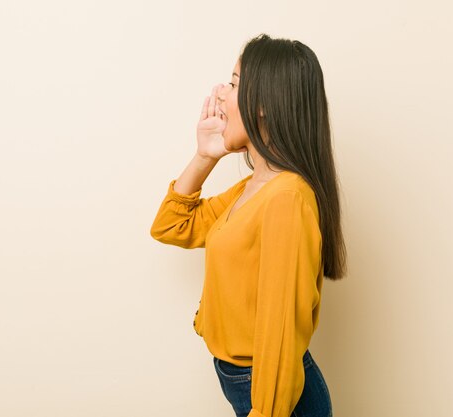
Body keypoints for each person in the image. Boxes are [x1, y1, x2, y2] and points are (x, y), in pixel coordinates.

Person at [149, 33, 347, 417]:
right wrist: (206, 156)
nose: (220, 92)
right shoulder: (256, 186)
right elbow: (171, 225)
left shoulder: (286, 199)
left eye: (235, 83)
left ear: (262, 105)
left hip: (272, 396)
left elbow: (279, 335)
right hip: (246, 384)